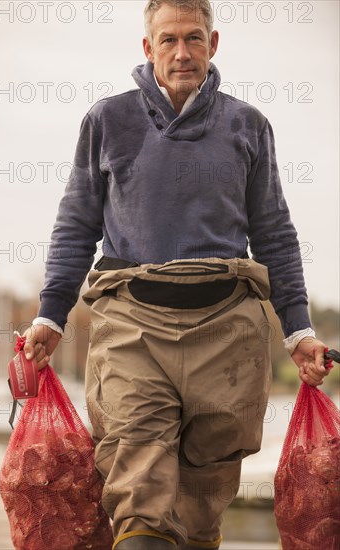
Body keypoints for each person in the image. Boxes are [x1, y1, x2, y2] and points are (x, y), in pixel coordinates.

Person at [23, 1, 331, 548]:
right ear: (148, 48)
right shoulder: (107, 121)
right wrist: (51, 313)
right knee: (139, 495)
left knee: (199, 514)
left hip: (227, 336)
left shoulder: (248, 126)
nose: (182, 52)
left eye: (194, 38)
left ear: (213, 45)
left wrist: (299, 330)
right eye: (168, 40)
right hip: (131, 329)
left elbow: (275, 235)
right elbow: (75, 225)